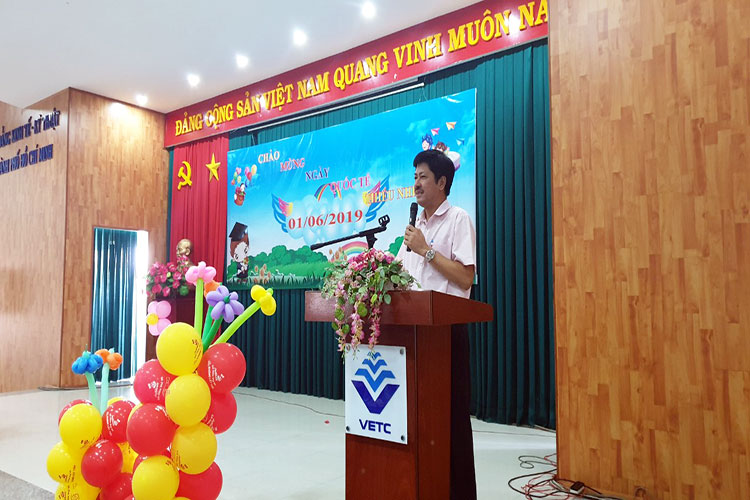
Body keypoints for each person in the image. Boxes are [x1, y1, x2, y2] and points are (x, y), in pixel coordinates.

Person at [396, 149, 477, 499]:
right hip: (413, 335)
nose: (416, 183)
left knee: (450, 420)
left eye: (423, 177)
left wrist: (426, 250)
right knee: (417, 420)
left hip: (445, 334)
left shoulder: (458, 219)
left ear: (442, 182)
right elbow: (399, 275)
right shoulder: (415, 229)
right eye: (414, 176)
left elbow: (465, 277)